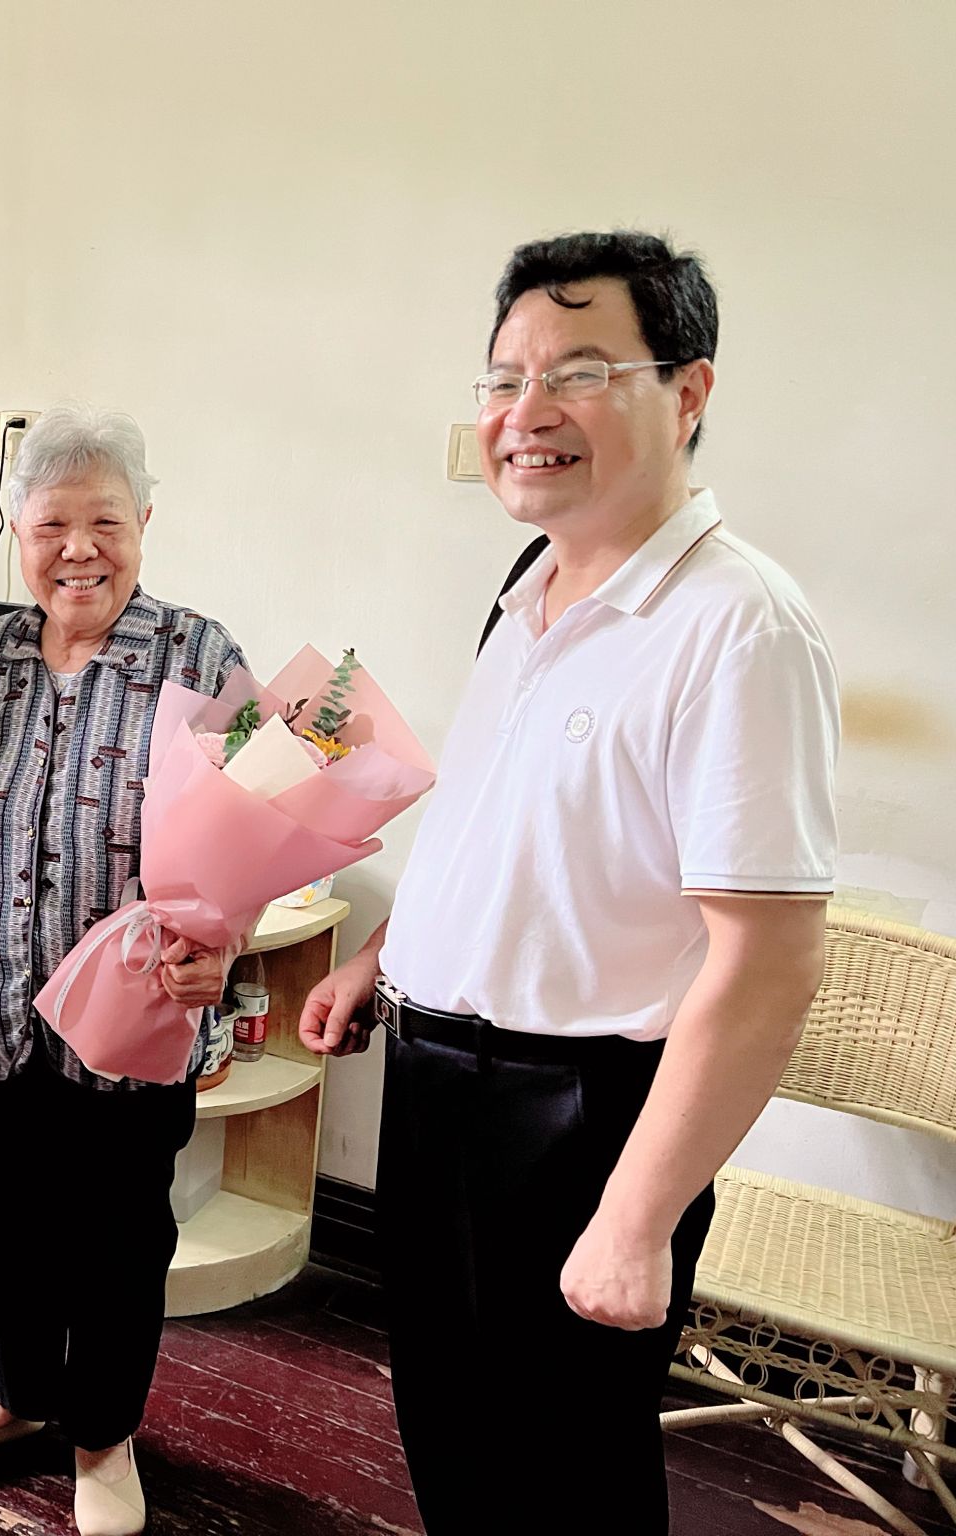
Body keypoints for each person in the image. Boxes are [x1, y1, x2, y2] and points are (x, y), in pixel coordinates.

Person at [299, 233, 839, 1535]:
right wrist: (384, 957)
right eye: (504, 380)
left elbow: (768, 962)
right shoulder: (529, 583)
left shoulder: (737, 627)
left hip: (577, 1120)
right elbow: (502, 817)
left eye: (580, 372)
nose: (525, 412)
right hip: (435, 1084)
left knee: (566, 1477)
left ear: (688, 392)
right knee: (451, 1434)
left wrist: (637, 1218)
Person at [0, 406, 241, 1536]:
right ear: (17, 530)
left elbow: (260, 825)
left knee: (118, 1238)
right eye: (52, 525)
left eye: (105, 521)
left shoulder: (198, 655)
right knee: (0, 1218)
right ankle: (13, 1394)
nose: (79, 549)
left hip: (133, 1017)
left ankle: (102, 1435)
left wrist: (223, 944)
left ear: (145, 521)